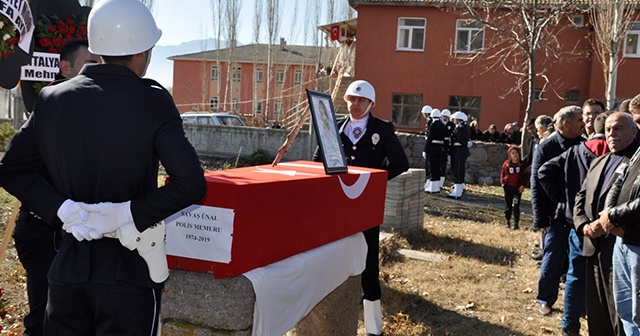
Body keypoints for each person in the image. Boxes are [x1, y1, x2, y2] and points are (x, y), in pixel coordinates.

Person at [0, 0, 207, 335]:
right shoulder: (153, 100)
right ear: (143, 52)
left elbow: (10, 169)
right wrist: (124, 212)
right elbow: (190, 184)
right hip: (128, 269)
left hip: (66, 268)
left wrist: (63, 209)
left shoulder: (52, 99)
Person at [11, 38, 102, 336]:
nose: (98, 69)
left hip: (81, 235)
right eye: (90, 62)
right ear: (66, 67)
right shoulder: (52, 106)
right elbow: (11, 169)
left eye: (101, 62)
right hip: (44, 233)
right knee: (44, 323)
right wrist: (62, 209)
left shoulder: (99, 107)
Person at [313, 79, 409, 336]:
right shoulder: (334, 127)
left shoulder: (382, 129)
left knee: (369, 263)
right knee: (333, 258)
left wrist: (374, 182)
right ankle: (332, 320)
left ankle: (374, 329)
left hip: (365, 206)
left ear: (371, 103)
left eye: (361, 100)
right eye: (351, 100)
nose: (355, 104)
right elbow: (317, 160)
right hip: (338, 205)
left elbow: (401, 163)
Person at [539, 111, 610, 335]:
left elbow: (544, 172)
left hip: (576, 221)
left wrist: (566, 201)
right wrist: (561, 199)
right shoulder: (614, 153)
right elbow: (540, 173)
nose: (583, 124)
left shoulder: (577, 149)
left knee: (575, 273)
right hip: (602, 222)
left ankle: (570, 325)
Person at [574, 112, 637, 336]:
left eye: (618, 129)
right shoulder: (598, 161)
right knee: (597, 310)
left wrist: (607, 222)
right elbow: (580, 197)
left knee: (621, 314)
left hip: (621, 246)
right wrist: (583, 226)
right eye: (608, 129)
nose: (611, 134)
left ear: (633, 131)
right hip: (593, 246)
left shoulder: (635, 162)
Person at [531, 106, 585, 316]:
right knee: (552, 259)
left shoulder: (584, 144)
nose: (583, 123)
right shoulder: (546, 147)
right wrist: (540, 218)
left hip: (579, 215)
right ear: (566, 124)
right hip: (554, 215)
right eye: (579, 120)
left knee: (577, 261)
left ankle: (577, 304)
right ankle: (545, 298)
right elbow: (536, 184)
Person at [599, 112, 640, 336]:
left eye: (619, 129)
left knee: (638, 314)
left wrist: (613, 218)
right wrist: (609, 216)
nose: (612, 134)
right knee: (625, 312)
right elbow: (618, 183)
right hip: (622, 242)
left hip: (637, 243)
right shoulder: (635, 155)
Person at [500, 146, 526, 229]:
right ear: (510, 155)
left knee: (515, 205)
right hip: (508, 188)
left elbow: (525, 176)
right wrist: (503, 183)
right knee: (508, 205)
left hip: (517, 189)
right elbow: (502, 174)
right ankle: (507, 221)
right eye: (513, 153)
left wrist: (523, 185)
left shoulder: (521, 165)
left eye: (516, 153)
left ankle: (516, 222)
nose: (515, 155)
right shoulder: (507, 164)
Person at [447, 111, 470, 199]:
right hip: (459, 151)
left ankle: (458, 190)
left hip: (459, 151)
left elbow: (460, 139)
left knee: (458, 169)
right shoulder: (463, 126)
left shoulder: (461, 128)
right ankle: (458, 188)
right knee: (458, 169)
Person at [424, 108, 446, 193]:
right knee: (437, 167)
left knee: (432, 166)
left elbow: (429, 138)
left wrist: (425, 149)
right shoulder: (442, 125)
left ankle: (432, 187)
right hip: (439, 148)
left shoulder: (433, 125)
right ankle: (436, 186)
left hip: (432, 147)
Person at [440, 109, 454, 188]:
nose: (444, 118)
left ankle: (441, 180)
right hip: (439, 145)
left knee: (443, 164)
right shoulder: (439, 123)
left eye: (446, 117)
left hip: (446, 146)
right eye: (443, 116)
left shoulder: (451, 125)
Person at [421, 105, 433, 181]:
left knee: (429, 164)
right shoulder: (429, 121)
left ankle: (429, 178)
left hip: (430, 145)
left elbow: (429, 136)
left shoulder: (430, 122)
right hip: (429, 143)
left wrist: (426, 149)